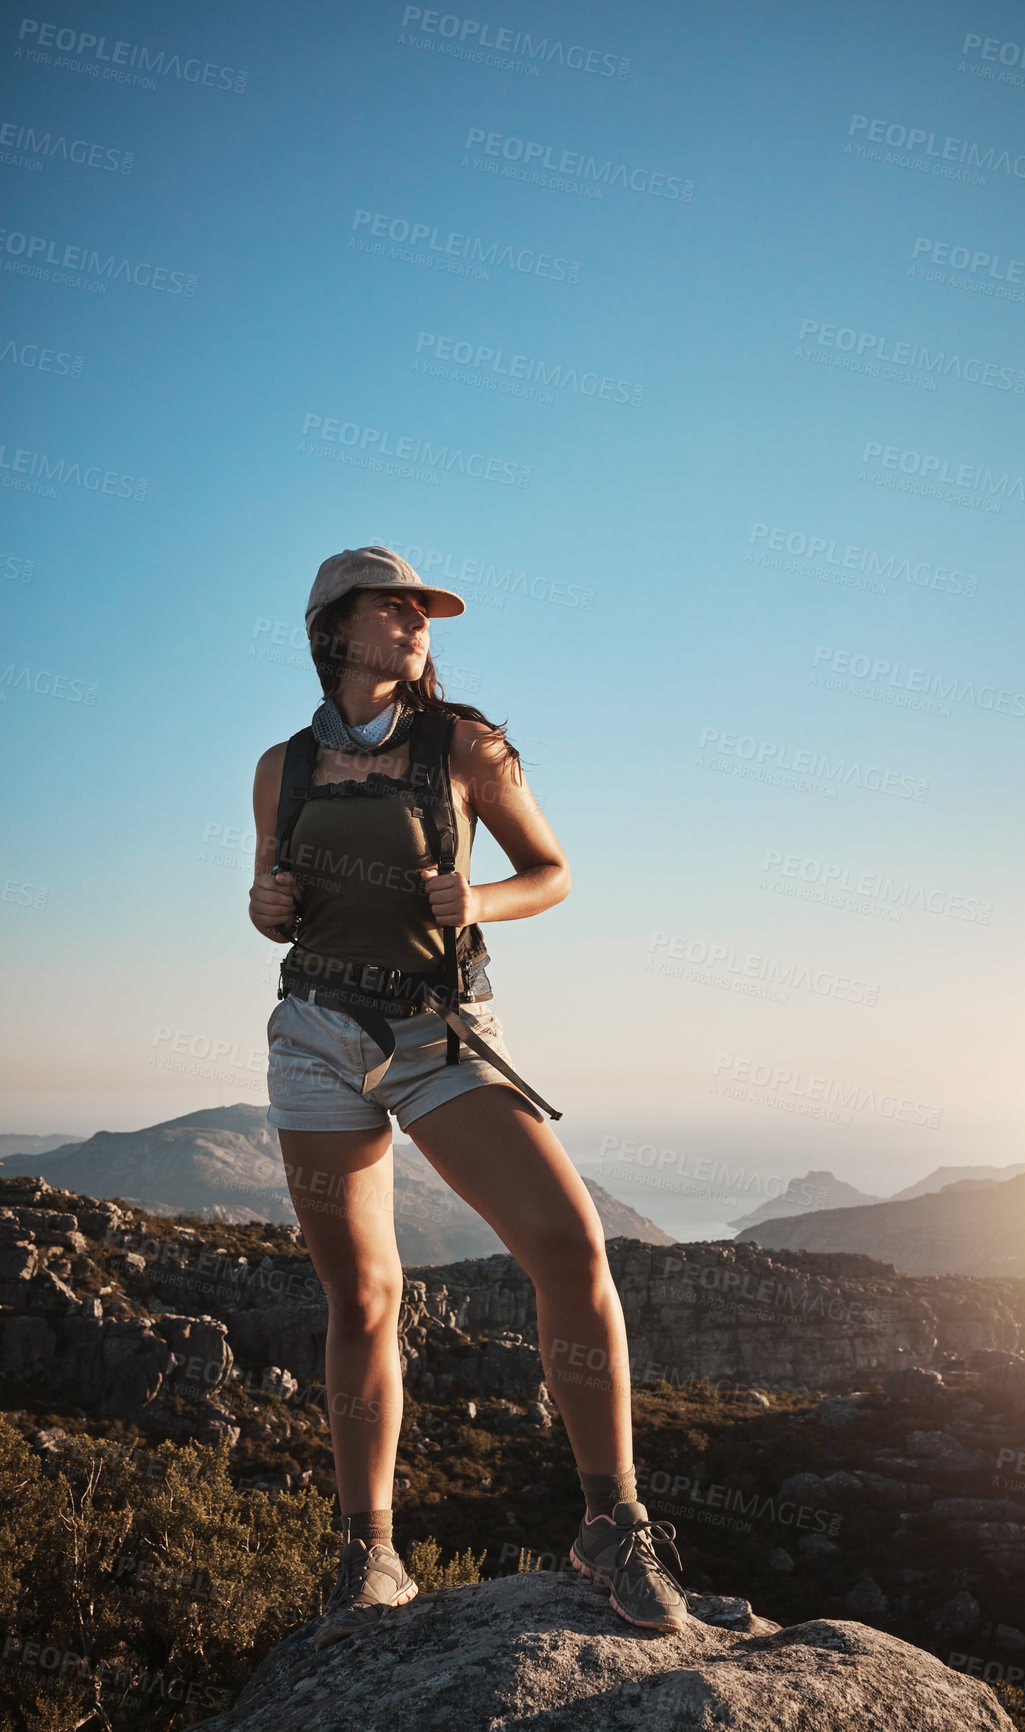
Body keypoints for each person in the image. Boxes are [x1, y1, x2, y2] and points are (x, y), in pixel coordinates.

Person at [248, 546, 689, 1651]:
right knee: (363, 1300)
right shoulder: (282, 765)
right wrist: (266, 901)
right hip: (312, 1033)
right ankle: (370, 1551)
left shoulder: (467, 743)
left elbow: (554, 870)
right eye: (390, 606)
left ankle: (610, 1520)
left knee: (570, 1248)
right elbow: (272, 906)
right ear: (333, 630)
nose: (414, 621)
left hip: (438, 1034)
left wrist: (479, 894)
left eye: (422, 610)